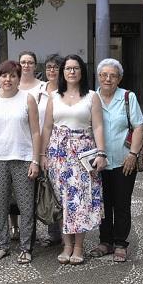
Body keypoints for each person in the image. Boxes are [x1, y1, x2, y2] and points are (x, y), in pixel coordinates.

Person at [41, 54, 107, 265]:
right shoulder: (54, 97)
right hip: (58, 155)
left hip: (83, 155)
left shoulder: (91, 97)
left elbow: (97, 126)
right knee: (61, 201)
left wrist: (101, 153)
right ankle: (66, 245)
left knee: (80, 202)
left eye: (75, 68)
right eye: (67, 68)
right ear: (62, 72)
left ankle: (78, 247)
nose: (71, 72)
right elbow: (47, 127)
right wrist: (42, 155)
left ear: (82, 72)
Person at [90, 58, 143, 263]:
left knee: (122, 203)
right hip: (99, 161)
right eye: (104, 75)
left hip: (124, 160)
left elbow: (138, 126)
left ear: (119, 78)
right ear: (98, 76)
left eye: (113, 75)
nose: (108, 78)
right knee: (103, 203)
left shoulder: (128, 97)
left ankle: (120, 243)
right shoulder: (92, 98)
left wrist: (133, 154)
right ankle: (105, 241)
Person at [0, 60, 40, 264]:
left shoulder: (28, 99)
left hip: (23, 158)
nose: (7, 79)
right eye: (4, 75)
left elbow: (36, 131)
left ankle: (26, 247)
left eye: (12, 75)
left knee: (26, 206)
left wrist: (35, 160)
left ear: (18, 78)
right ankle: (3, 245)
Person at [37, 54, 64, 247]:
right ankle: (53, 231)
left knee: (61, 190)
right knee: (47, 189)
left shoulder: (67, 91)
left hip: (61, 147)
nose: (52, 70)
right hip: (39, 144)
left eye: (56, 67)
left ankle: (65, 233)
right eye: (49, 67)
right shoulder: (38, 90)